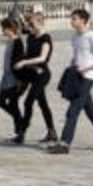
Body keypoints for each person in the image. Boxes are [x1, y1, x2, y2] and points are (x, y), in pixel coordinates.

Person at [48, 8, 93, 154]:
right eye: (72, 19)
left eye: (74, 19)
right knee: (90, 110)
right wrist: (71, 66)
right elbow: (77, 56)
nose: (72, 21)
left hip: (89, 77)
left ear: (83, 20)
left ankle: (65, 143)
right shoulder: (74, 37)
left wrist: (86, 69)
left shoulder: (92, 37)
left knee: (73, 110)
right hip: (77, 76)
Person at [13, 9, 58, 144]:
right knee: (42, 103)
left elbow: (42, 58)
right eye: (29, 25)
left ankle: (21, 133)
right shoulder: (31, 36)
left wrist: (24, 62)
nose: (30, 27)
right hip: (30, 74)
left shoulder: (46, 39)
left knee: (28, 101)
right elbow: (27, 53)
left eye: (32, 25)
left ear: (40, 23)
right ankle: (52, 132)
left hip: (42, 74)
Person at [0, 16, 28, 143]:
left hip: (15, 78)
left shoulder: (17, 42)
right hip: (6, 77)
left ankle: (20, 130)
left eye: (3, 28)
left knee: (12, 104)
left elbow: (19, 62)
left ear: (9, 29)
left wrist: (19, 80)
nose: (2, 31)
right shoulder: (10, 41)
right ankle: (20, 125)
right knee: (2, 102)